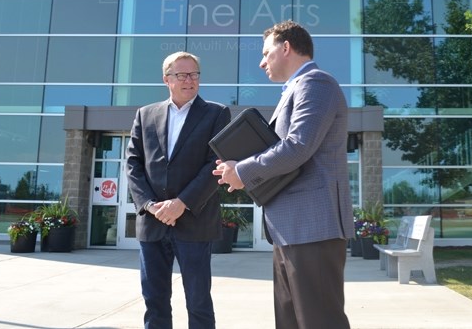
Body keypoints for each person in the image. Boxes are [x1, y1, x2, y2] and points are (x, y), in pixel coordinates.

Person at [213, 20, 355, 329]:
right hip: (293, 228)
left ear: (286, 47)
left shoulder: (316, 83)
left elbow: (298, 147)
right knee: (291, 322)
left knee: (319, 322)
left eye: (266, 53)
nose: (262, 62)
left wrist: (243, 171)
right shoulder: (295, 88)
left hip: (313, 227)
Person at [126, 51, 231, 329]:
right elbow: (133, 164)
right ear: (166, 79)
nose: (189, 80)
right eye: (181, 75)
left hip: (194, 223)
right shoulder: (145, 114)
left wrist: (181, 203)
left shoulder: (217, 114)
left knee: (198, 303)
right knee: (154, 300)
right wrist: (149, 205)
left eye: (194, 74)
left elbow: (215, 164)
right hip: (152, 222)